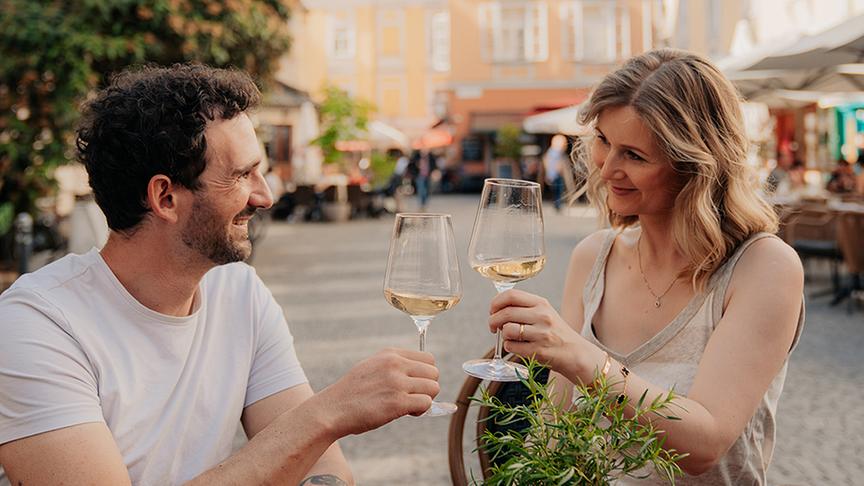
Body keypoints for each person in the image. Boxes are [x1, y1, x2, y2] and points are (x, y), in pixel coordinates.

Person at [0, 65, 441, 486]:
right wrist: (325, 414)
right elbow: (306, 432)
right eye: (242, 175)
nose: (265, 197)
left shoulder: (238, 290)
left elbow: (322, 465)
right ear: (166, 197)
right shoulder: (38, 326)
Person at [487, 49, 804, 484]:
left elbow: (705, 444)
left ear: (693, 167)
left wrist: (576, 354)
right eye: (603, 141)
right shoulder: (593, 257)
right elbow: (554, 435)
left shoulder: (763, 267)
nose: (607, 168)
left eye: (634, 155)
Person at [543, 134, 568, 211]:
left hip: (553, 174)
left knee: (557, 190)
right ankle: (557, 204)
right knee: (558, 190)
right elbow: (552, 163)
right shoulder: (555, 152)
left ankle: (557, 204)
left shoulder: (551, 152)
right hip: (555, 174)